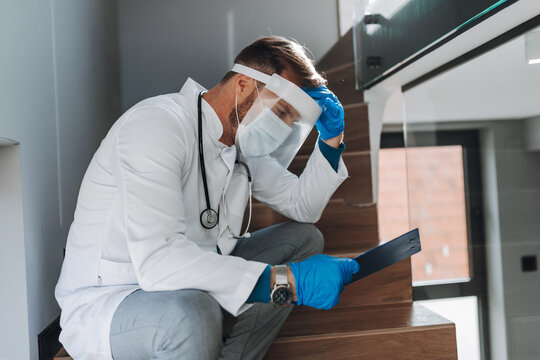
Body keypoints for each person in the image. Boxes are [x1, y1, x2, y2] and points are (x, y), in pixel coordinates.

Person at [55, 35, 359, 360]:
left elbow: (304, 206)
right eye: (282, 111)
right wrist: (287, 282)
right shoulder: (157, 125)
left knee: (303, 239)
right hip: (118, 297)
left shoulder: (241, 144)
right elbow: (160, 262)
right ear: (243, 84)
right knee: (194, 313)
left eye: (292, 121)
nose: (284, 128)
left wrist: (330, 138)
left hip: (191, 282)